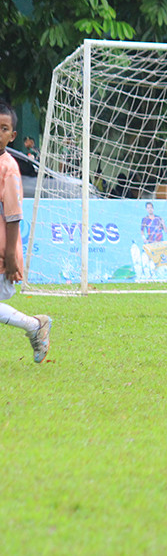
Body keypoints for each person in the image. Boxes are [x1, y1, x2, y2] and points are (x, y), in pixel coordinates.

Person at [0, 101, 51, 363]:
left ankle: (34, 325)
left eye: (4, 128)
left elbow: (12, 217)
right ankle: (35, 326)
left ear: (13, 136)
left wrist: (10, 257)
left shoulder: (8, 168)